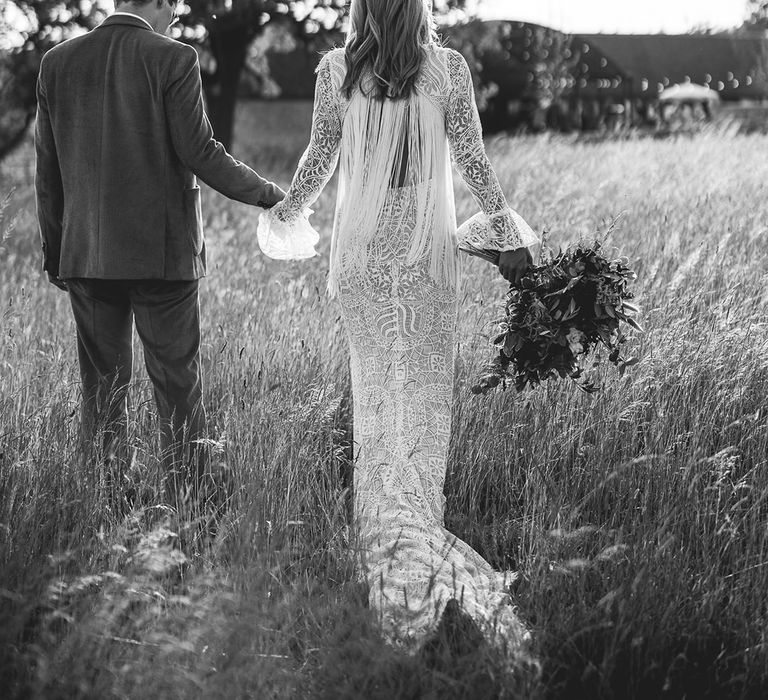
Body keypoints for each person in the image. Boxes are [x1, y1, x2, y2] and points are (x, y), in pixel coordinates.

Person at [257, 0, 539, 649]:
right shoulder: (449, 69)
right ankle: (415, 523)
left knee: (377, 399)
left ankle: (383, 533)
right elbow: (471, 160)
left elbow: (318, 161)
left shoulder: (337, 70)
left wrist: (285, 215)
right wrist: (507, 230)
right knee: (419, 403)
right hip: (421, 259)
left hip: (359, 259)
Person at [34, 0, 284, 513]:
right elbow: (201, 151)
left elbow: (47, 169)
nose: (177, 14)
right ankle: (188, 510)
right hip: (162, 258)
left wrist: (57, 251)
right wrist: (269, 195)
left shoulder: (57, 63)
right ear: (158, 2)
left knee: (101, 394)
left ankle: (104, 510)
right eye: (174, 5)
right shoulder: (174, 59)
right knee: (177, 391)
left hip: (86, 256)